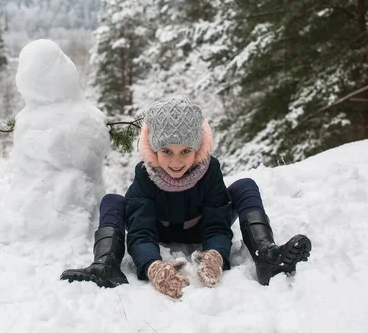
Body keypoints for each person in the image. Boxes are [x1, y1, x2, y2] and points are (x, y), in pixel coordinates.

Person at [60, 96, 311, 299]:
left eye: (186, 151)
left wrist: (215, 254)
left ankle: (266, 256)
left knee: (245, 186)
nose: (177, 162)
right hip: (160, 230)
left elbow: (216, 224)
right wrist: (153, 266)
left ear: (197, 148)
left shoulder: (210, 171)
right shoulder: (144, 177)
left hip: (200, 226)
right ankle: (105, 265)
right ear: (153, 148)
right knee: (113, 201)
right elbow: (141, 232)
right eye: (167, 151)